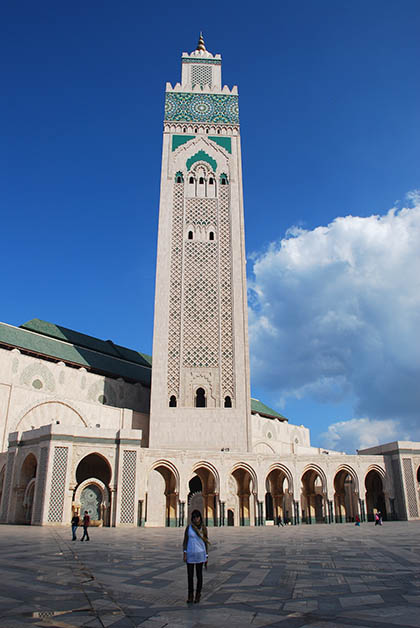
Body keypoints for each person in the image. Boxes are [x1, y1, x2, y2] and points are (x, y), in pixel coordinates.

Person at [183, 510, 209, 604]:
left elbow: (206, 542)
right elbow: (185, 541)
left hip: (200, 554)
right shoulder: (189, 528)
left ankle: (198, 594)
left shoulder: (203, 528)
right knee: (190, 576)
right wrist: (185, 553)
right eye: (194, 517)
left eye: (197, 517)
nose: (196, 519)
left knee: (199, 575)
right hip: (190, 554)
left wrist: (206, 556)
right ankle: (190, 595)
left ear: (200, 517)